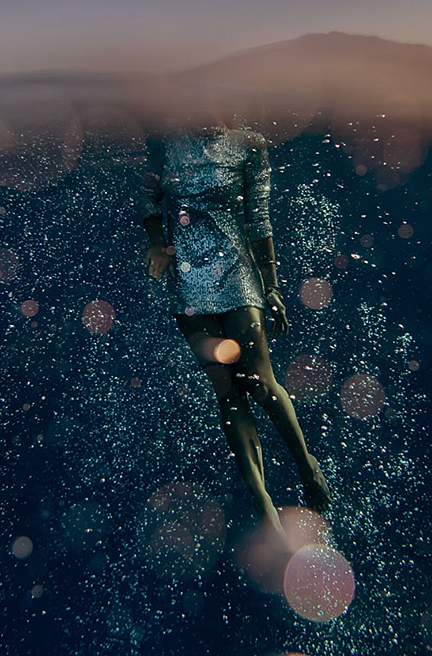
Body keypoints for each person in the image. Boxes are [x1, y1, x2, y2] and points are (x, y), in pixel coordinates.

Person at [139, 119, 330, 534]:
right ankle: (261, 497)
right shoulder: (165, 139)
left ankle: (305, 465)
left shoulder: (249, 145)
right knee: (226, 390)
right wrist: (158, 244)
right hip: (187, 282)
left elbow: (258, 220)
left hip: (237, 274)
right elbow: (150, 200)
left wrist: (274, 289)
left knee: (259, 382)